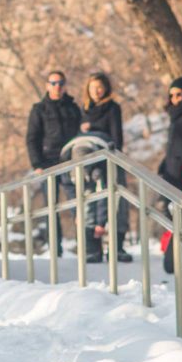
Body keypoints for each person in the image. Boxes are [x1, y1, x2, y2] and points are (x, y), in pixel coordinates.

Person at [25, 71, 81, 254]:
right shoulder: (39, 109)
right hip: (48, 163)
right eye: (54, 83)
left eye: (61, 83)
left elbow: (81, 134)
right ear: (47, 85)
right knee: (51, 206)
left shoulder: (73, 108)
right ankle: (55, 249)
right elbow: (32, 138)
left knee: (77, 203)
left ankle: (84, 246)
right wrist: (37, 164)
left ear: (65, 85)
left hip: (71, 160)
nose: (58, 86)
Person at [78, 72, 131, 263]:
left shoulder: (112, 108)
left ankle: (116, 247)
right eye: (93, 88)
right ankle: (93, 249)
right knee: (90, 201)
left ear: (106, 88)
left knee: (117, 201)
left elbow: (117, 137)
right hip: (90, 163)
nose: (97, 91)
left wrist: (92, 127)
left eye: (100, 87)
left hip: (110, 157)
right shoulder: (83, 109)